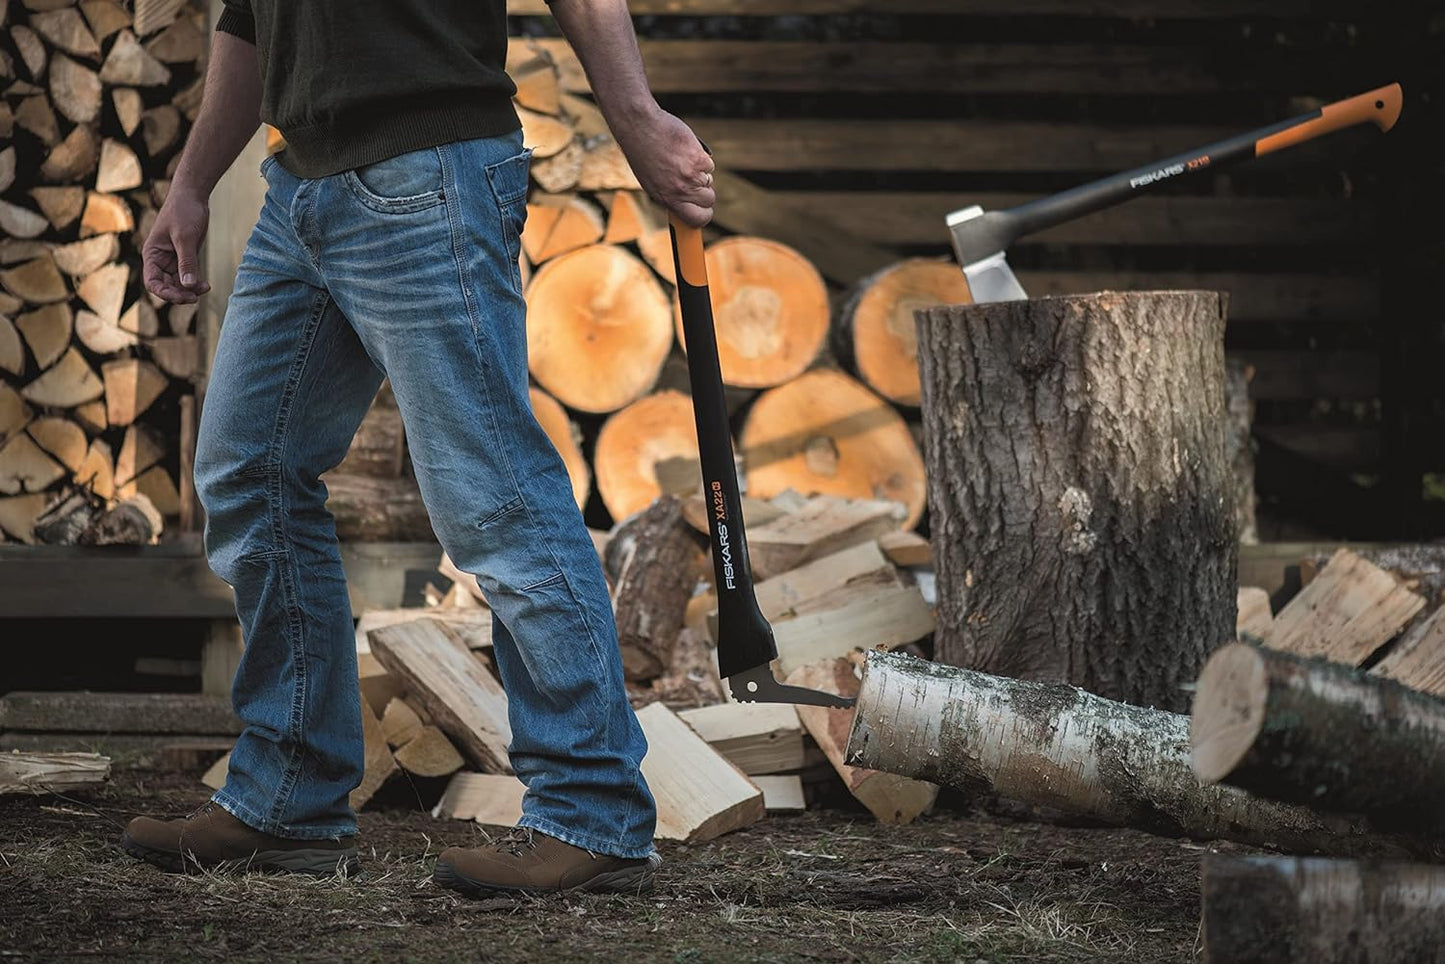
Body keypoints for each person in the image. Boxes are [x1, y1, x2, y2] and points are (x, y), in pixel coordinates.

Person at [119, 0, 715, 897]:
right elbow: (249, 20)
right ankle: (286, 798)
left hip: (427, 167)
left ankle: (592, 818)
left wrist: (636, 119)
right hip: (299, 184)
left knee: (495, 499)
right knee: (250, 470)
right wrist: (192, 183)